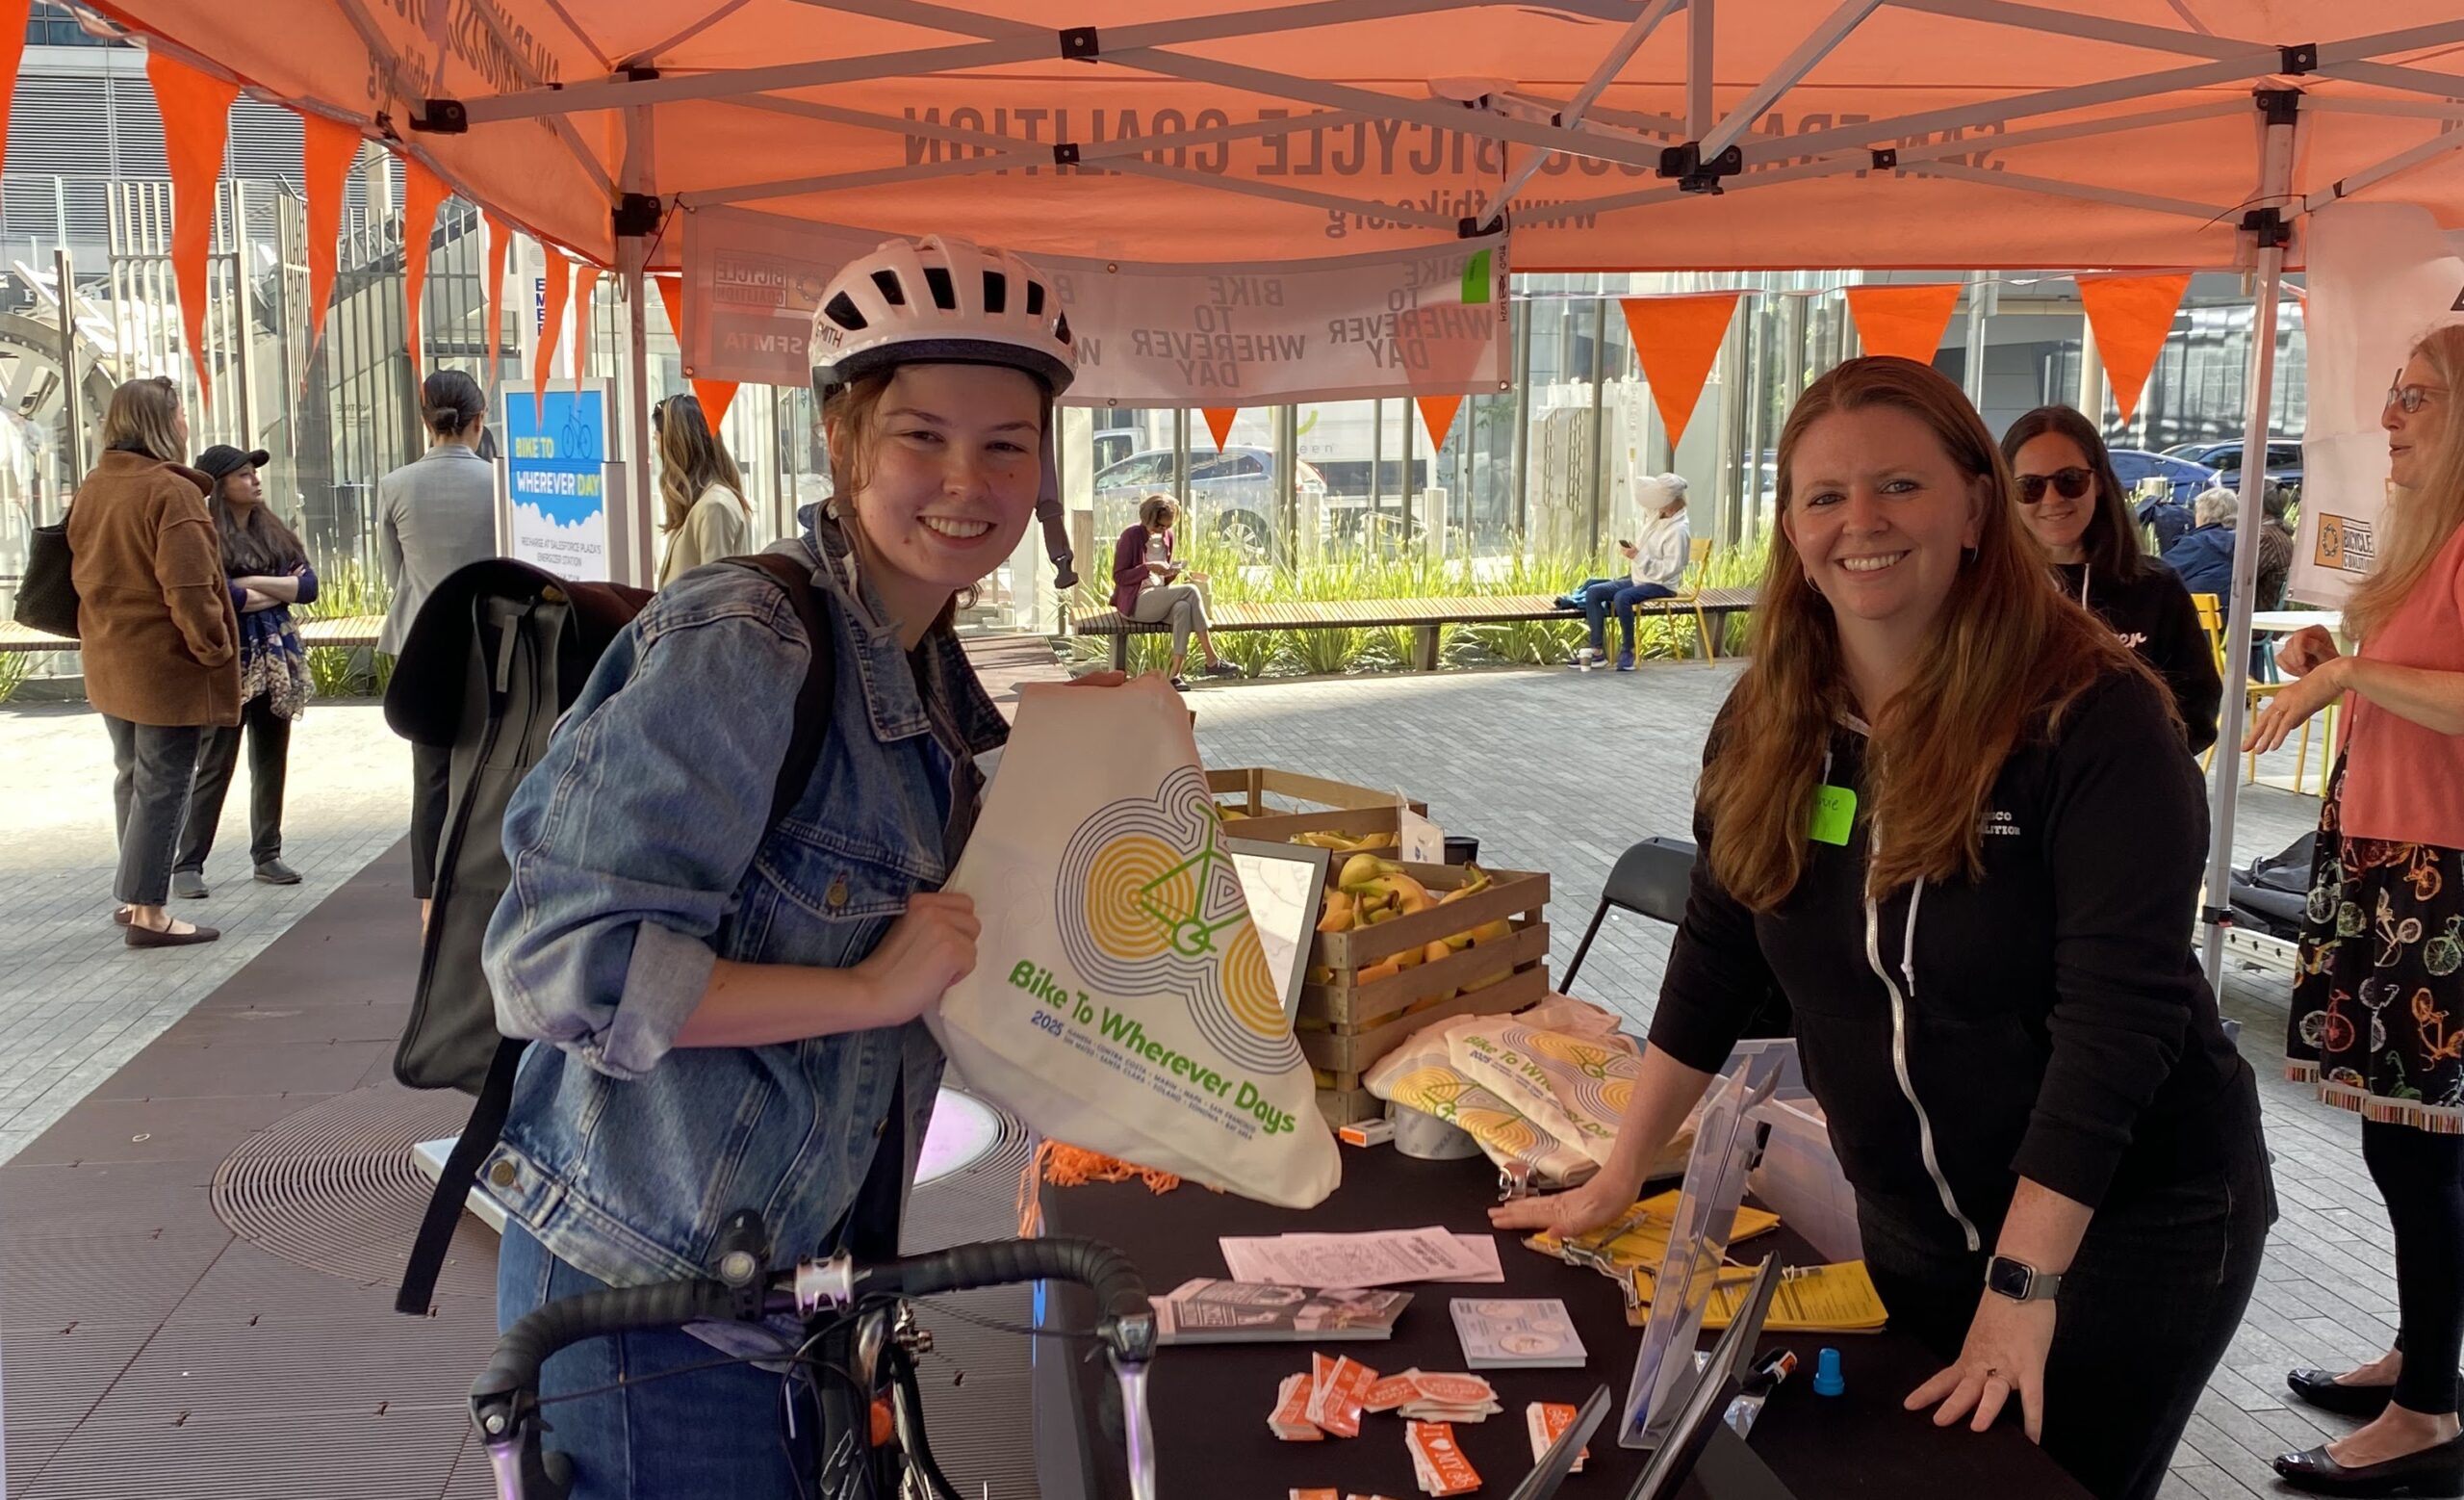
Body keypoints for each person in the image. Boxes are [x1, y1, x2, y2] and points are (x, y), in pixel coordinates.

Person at [1496, 357, 2271, 1500]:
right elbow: (1718, 950)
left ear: (1972, 507)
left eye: (1897, 486)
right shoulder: (1773, 716)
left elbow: (2118, 1026)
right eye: (1823, 496)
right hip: (1910, 1221)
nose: (1859, 522)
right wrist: (1620, 1175)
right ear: (1790, 530)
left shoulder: (2093, 722)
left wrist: (2021, 1291)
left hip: (2121, 1235)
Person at [478, 234, 1091, 1500]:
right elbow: (558, 966)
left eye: (1006, 445)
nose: (966, 481)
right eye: (922, 436)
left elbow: (964, 944)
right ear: (841, 434)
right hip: (646, 1290)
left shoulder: (924, 682)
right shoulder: (748, 638)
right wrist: (869, 990)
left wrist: (1117, 780)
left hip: (794, 1277)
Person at [2245, 325, 2464, 1498]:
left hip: (2441, 885)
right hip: (2387, 865)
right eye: (2390, 396)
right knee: (2405, 1148)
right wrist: (2341, 658)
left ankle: (2427, 1405)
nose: (2389, 417)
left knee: (2418, 1150)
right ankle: (2422, 1359)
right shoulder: (2428, 547)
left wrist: (2350, 674)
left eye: (2416, 398)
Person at [68, 376, 236, 948]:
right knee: (165, 783)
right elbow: (190, 589)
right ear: (162, 424)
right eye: (181, 414)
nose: (187, 423)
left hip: (110, 654)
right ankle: (148, 911)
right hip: (164, 664)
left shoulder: (97, 484)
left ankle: (134, 893)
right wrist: (213, 648)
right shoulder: (172, 493)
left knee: (134, 777)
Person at [2003, 406, 2221, 753]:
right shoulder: (1989, 593)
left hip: (2129, 796)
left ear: (2099, 482)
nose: (2052, 498)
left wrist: (2128, 767)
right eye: (2029, 486)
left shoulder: (2156, 588)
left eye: (2070, 480)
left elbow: (2197, 711)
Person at [376, 369, 497, 929]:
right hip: (490, 645)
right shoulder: (500, 484)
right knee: (492, 768)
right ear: (480, 420)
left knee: (430, 778)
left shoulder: (395, 485)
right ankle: (482, 892)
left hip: (419, 647)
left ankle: (429, 902)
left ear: (425, 421)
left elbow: (394, 575)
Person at [169, 445, 314, 896]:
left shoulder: (274, 530)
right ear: (218, 486)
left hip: (276, 663)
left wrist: (250, 583)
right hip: (229, 661)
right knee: (216, 761)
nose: (254, 481)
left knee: (271, 759)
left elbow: (307, 587)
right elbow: (221, 597)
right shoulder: (204, 534)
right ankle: (188, 863)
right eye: (244, 475)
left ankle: (267, 853)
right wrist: (274, 589)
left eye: (254, 474)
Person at [1112, 493, 1238, 688]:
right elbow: (1119, 577)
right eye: (1159, 525)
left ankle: (1175, 675)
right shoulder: (1131, 535)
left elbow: (1162, 580)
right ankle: (1212, 659)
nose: (1163, 529)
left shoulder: (1168, 536)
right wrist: (1148, 567)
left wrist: (1172, 572)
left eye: (1167, 526)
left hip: (1159, 597)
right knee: (1190, 591)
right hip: (1137, 601)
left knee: (1182, 608)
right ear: (1147, 518)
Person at [1574, 473, 1690, 672]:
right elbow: (1641, 486)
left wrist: (1638, 556)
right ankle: (1596, 652)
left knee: (1622, 598)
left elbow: (1669, 570)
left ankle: (1628, 649)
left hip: (1661, 585)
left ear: (1672, 501)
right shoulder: (1657, 517)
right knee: (1594, 591)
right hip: (1639, 578)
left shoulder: (1678, 531)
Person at [652, 393, 752, 587]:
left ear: (674, 445)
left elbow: (716, 594)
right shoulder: (700, 503)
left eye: (656, 439)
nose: (656, 449)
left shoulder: (714, 506)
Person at [2162, 485, 2241, 609]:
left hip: (2195, 621)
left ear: (2203, 515)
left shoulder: (2199, 543)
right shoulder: (2242, 541)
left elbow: (2159, 572)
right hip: (2229, 618)